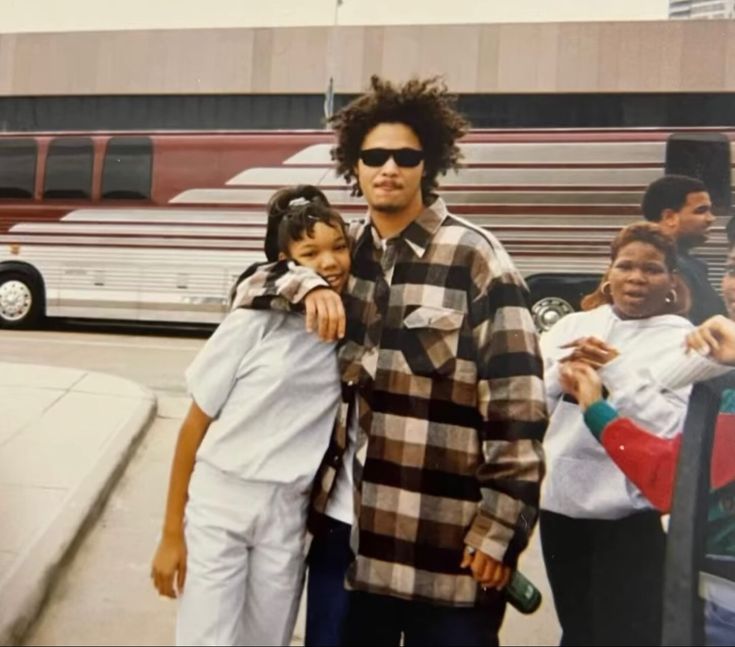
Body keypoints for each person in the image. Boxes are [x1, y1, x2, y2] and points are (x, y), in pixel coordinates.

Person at [230, 76, 548, 647]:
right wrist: (306, 286)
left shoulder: (477, 258)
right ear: (353, 166)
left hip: (448, 549)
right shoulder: (342, 255)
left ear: (430, 163)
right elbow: (249, 286)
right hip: (347, 544)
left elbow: (518, 408)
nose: (389, 167)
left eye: (406, 155)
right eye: (374, 155)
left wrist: (502, 529)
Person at [150, 186, 350, 646]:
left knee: (267, 640)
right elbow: (192, 429)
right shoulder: (253, 320)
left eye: (339, 247)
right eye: (310, 252)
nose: (330, 262)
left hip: (288, 512)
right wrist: (170, 536)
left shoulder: (349, 326)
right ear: (286, 260)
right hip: (221, 500)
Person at [539, 221, 694, 646]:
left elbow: (670, 427)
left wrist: (616, 372)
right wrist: (562, 372)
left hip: (630, 518)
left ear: (670, 281)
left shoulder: (682, 340)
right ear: (608, 275)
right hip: (562, 509)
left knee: (623, 633)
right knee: (577, 628)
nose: (637, 278)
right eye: (625, 266)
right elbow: (526, 402)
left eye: (652, 269)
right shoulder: (572, 326)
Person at [641, 174, 726, 324]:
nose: (711, 218)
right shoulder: (664, 264)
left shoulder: (689, 264)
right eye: (701, 211)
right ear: (669, 217)